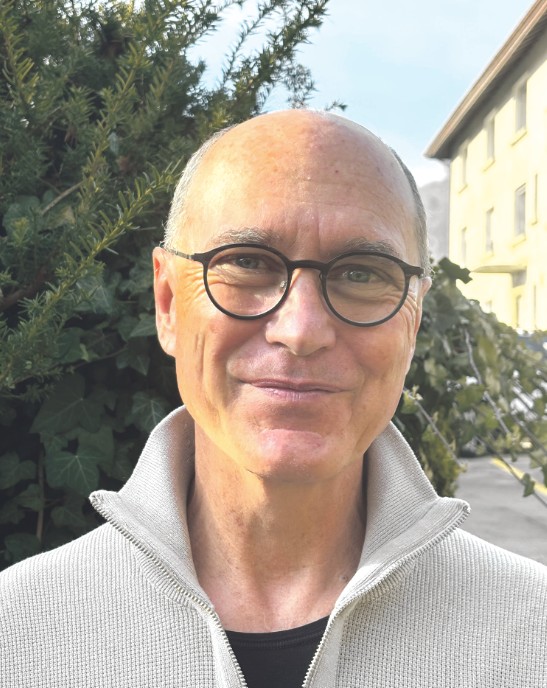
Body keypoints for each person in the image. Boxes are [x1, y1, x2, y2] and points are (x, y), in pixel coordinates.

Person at [1, 110, 546, 687]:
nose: (301, 330)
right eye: (246, 263)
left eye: (362, 273)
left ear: (413, 320)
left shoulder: (532, 637)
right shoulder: (19, 636)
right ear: (168, 303)